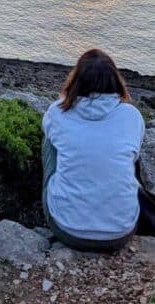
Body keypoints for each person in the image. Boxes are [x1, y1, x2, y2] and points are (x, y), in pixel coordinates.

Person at [42, 49, 144, 252]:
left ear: (76, 80)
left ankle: (65, 200)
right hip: (121, 231)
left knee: (49, 140)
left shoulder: (57, 112)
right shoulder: (132, 116)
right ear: (115, 81)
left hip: (67, 229)